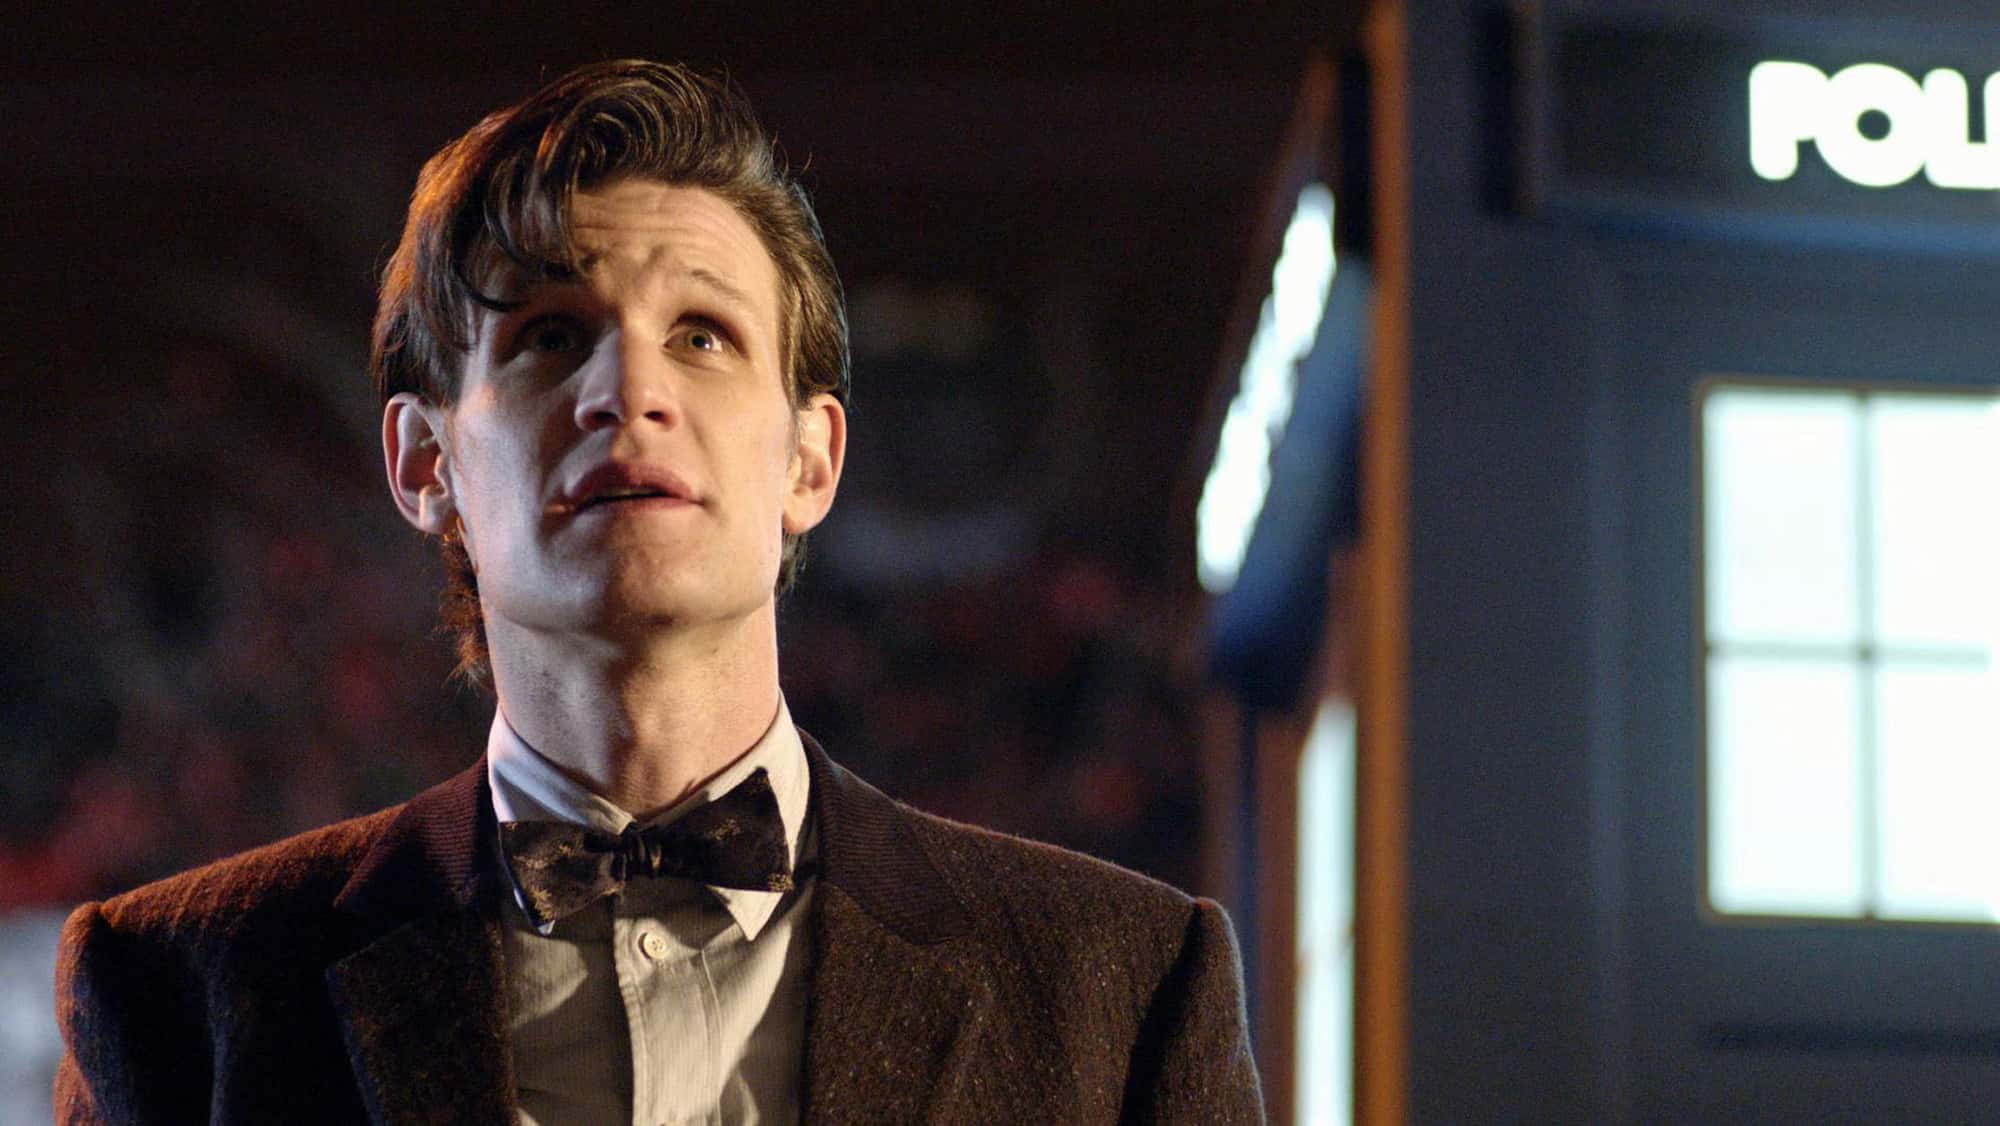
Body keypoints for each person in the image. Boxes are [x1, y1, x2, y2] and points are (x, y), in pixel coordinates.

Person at [52, 59, 1263, 1124]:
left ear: (810, 459)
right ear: (425, 462)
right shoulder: (183, 988)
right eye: (547, 334)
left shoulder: (1118, 985)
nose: (628, 389)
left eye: (702, 335)